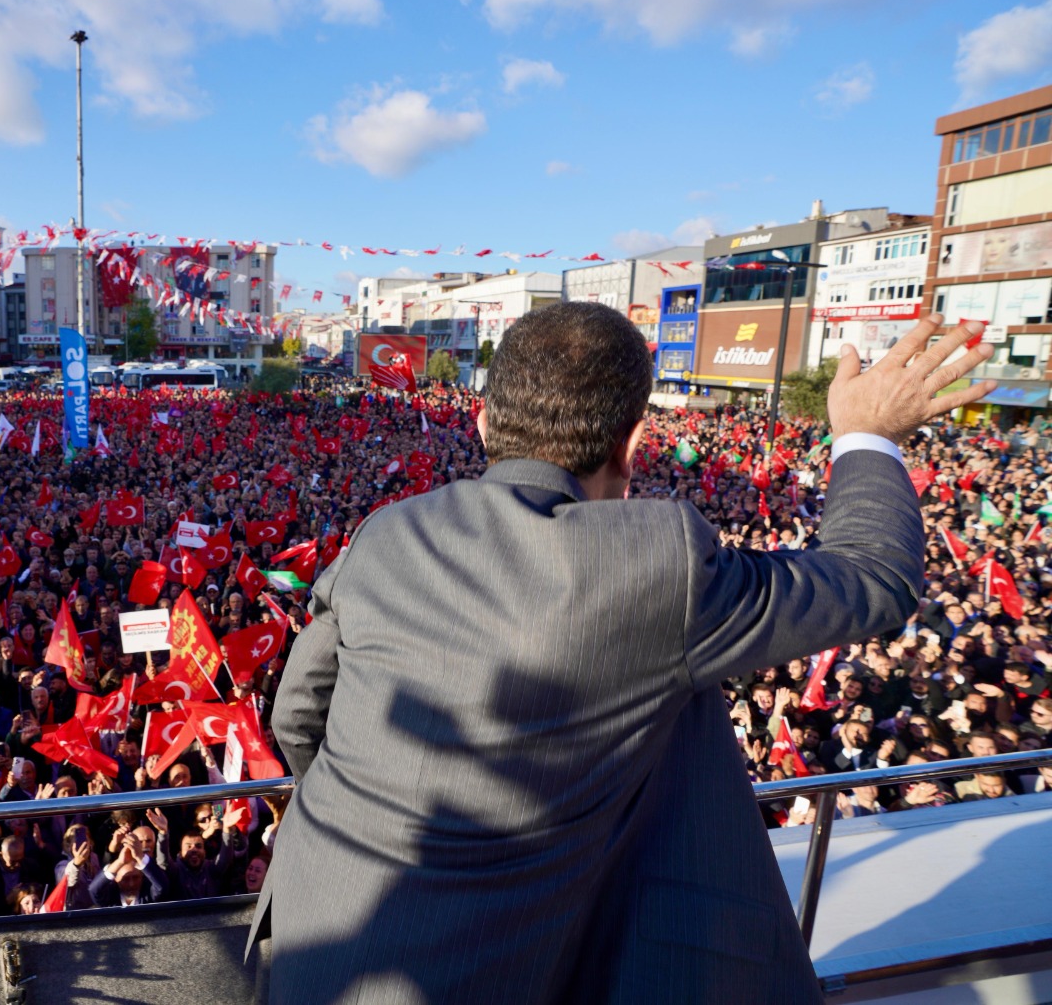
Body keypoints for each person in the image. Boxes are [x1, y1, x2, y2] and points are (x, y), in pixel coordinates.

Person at [254, 306, 995, 1005]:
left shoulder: (388, 531)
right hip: (490, 972)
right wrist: (865, 432)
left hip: (312, 932)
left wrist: (373, 808)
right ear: (634, 441)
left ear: (482, 420)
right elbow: (871, 579)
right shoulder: (656, 557)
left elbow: (298, 713)